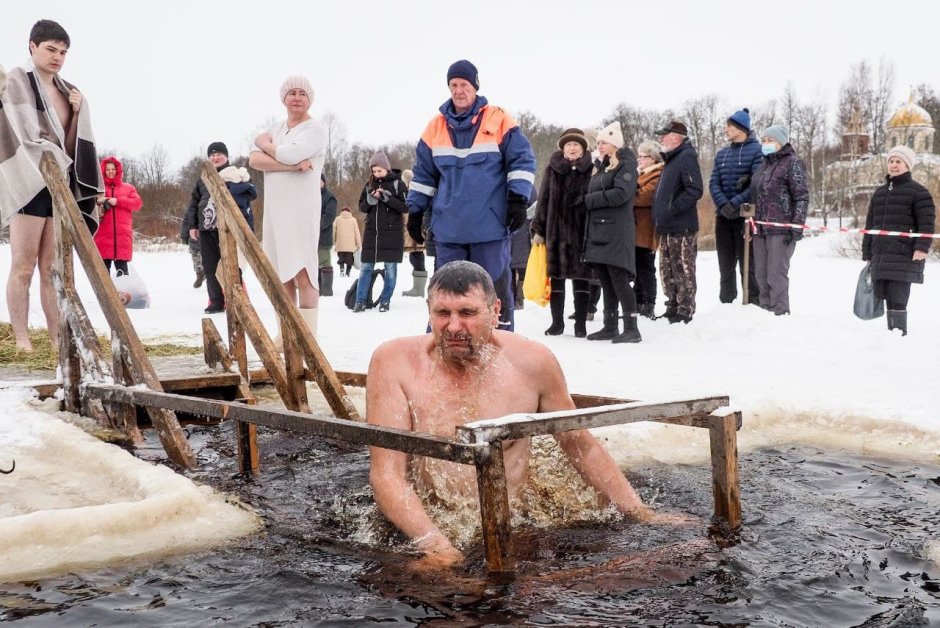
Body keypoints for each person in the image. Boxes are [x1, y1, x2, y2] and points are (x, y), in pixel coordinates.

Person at [366, 260, 686, 565]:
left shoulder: (531, 362)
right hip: (425, 521)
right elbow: (387, 473)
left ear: (495, 312)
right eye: (442, 313)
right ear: (429, 312)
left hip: (512, 525)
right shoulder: (395, 363)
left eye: (467, 313)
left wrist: (640, 512)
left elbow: (579, 444)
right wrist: (434, 546)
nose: (453, 326)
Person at [405, 59, 536, 331]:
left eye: (464, 84)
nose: (458, 90)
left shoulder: (498, 119)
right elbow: (423, 175)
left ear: (475, 86)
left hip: (489, 227)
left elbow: (522, 161)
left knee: (493, 293)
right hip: (449, 230)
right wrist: (415, 212)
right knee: (446, 294)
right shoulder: (435, 127)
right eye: (453, 85)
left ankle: (501, 342)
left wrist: (517, 200)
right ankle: (440, 346)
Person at [0, 20, 103, 352]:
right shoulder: (16, 81)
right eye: (51, 49)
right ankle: (21, 339)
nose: (58, 57)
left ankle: (58, 339)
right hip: (29, 182)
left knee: (52, 268)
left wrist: (76, 113)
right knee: (23, 265)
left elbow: (71, 148)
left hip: (60, 186)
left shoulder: (67, 91)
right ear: (32, 46)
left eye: (63, 52)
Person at [249, 75, 325, 337]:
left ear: (309, 99)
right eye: (291, 93)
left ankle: (308, 338)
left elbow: (287, 151)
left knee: (302, 272)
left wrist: (266, 145)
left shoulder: (314, 129)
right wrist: (290, 166)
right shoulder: (277, 127)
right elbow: (255, 161)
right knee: (281, 275)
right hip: (275, 211)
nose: (296, 97)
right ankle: (286, 335)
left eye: (302, 93)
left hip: (301, 210)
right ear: (284, 98)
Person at [862, 145, 934, 335]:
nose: (894, 165)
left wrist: (922, 248)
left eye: (898, 162)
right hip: (881, 253)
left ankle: (899, 334)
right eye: (891, 161)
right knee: (885, 295)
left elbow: (926, 223)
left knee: (899, 295)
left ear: (907, 165)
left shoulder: (919, 192)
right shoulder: (880, 193)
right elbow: (870, 224)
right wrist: (867, 250)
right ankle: (891, 335)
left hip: (904, 253)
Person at [581, 122, 641, 343]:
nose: (600, 146)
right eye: (598, 143)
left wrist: (589, 200)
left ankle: (631, 327)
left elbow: (621, 194)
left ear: (615, 144)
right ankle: (610, 325)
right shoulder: (602, 166)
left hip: (617, 230)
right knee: (605, 279)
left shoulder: (625, 164)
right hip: (599, 230)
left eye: (604, 142)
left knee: (619, 279)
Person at [531, 128, 595, 337]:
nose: (572, 148)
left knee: (581, 278)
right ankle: (557, 323)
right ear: (563, 148)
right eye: (568, 145)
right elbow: (544, 200)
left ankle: (580, 324)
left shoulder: (591, 169)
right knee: (556, 278)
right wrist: (538, 228)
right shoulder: (552, 169)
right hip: (555, 231)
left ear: (583, 148)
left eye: (576, 144)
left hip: (581, 231)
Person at [184, 142, 256, 314]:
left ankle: (238, 300)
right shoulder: (203, 178)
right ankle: (216, 302)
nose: (216, 158)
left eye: (219, 154)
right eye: (212, 155)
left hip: (228, 228)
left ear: (226, 157)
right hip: (207, 228)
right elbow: (194, 203)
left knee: (231, 265)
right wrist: (192, 225)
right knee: (210, 266)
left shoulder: (236, 174)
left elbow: (249, 196)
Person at [750, 125, 808, 316]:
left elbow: (801, 196)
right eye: (764, 140)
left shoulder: (792, 163)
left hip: (781, 228)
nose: (766, 144)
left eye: (770, 140)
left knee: (776, 275)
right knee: (760, 274)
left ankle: (780, 313)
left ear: (781, 142)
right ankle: (765, 311)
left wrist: (797, 225)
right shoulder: (764, 165)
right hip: (760, 228)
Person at [709, 109, 763, 305]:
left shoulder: (757, 151)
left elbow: (755, 183)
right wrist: (723, 203)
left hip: (744, 217)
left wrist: (735, 203)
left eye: (730, 126)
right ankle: (726, 303)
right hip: (723, 216)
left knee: (748, 265)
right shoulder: (722, 154)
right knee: (725, 264)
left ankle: (751, 302)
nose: (726, 129)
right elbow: (713, 181)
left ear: (741, 128)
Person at [652, 120, 703, 324]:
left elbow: (694, 189)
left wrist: (673, 208)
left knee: (683, 268)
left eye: (664, 135)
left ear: (675, 137)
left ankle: (685, 309)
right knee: (667, 270)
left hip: (682, 226)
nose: (661, 139)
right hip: (666, 226)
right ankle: (672, 305)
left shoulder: (686, 156)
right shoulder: (671, 159)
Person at [354, 150, 406, 312]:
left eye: (379, 171)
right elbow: (362, 207)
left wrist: (387, 198)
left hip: (392, 234)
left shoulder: (398, 184)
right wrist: (371, 198)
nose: (376, 174)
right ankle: (360, 301)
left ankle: (385, 300)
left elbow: (405, 207)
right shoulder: (369, 184)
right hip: (372, 234)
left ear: (386, 169)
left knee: (390, 270)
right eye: (374, 171)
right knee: (365, 269)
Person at [93, 156, 142, 276]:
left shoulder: (128, 188)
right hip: (103, 236)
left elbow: (137, 204)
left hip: (122, 238)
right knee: (103, 274)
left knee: (123, 272)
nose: (110, 172)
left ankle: (122, 294)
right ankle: (104, 295)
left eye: (113, 169)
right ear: (103, 171)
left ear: (118, 170)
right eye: (107, 169)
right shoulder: (98, 189)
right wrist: (98, 200)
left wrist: (117, 201)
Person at [634, 141, 664, 319]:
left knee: (646, 267)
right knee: (637, 266)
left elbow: (645, 196)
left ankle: (649, 303)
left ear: (653, 159)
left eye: (643, 156)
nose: (640, 159)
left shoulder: (657, 174)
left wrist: (628, 193)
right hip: (636, 228)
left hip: (646, 228)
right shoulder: (641, 174)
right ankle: (638, 300)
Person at [399, 169, 429, 298]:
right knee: (415, 255)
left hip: (415, 227)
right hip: (413, 227)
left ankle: (419, 289)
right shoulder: (411, 191)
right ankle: (417, 288)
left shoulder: (412, 192)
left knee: (416, 256)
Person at [318, 173, 337, 297]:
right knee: (312, 263)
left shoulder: (329, 197)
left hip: (323, 237)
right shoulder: (310, 196)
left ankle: (326, 290)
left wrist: (316, 226)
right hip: (310, 238)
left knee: (324, 262)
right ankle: (317, 288)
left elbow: (329, 216)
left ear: (323, 182)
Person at [333, 206, 361, 277]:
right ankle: (347, 273)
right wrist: (358, 244)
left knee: (341, 257)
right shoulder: (353, 220)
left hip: (340, 244)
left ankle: (342, 270)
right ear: (349, 212)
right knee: (350, 260)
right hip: (351, 245)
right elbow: (357, 232)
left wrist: (332, 240)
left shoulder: (337, 219)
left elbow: (333, 230)